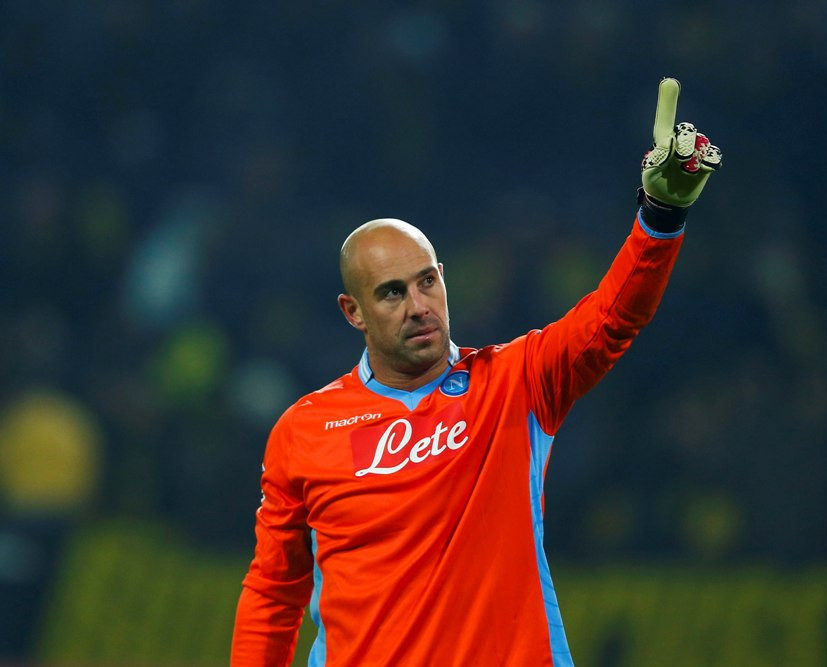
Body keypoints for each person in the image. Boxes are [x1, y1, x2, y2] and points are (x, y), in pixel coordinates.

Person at [231, 77, 721, 667]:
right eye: (391, 293)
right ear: (352, 311)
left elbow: (612, 318)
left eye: (427, 281)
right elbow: (273, 595)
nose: (418, 306)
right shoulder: (305, 431)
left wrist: (660, 218)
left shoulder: (514, 383)